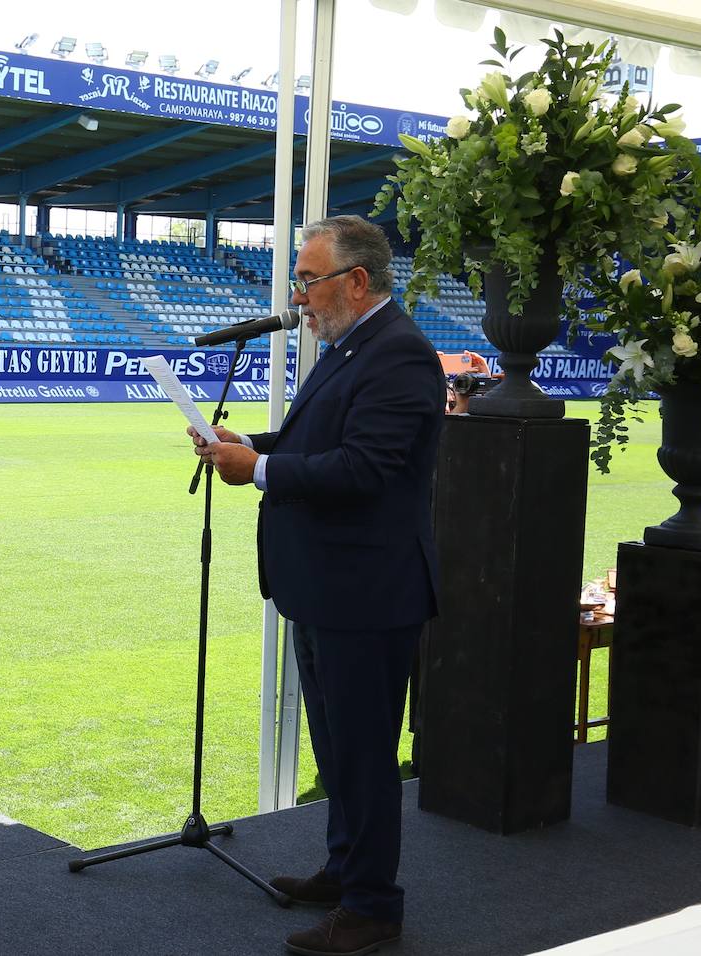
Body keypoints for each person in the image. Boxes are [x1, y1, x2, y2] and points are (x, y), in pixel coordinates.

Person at [189, 216, 444, 956]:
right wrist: (250, 445)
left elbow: (365, 468)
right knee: (337, 750)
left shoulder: (398, 354)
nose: (298, 296)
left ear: (356, 281)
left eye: (308, 280)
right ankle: (344, 872)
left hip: (367, 592)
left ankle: (372, 907)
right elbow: (319, 442)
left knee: (363, 756)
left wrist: (259, 470)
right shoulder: (352, 347)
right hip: (326, 586)